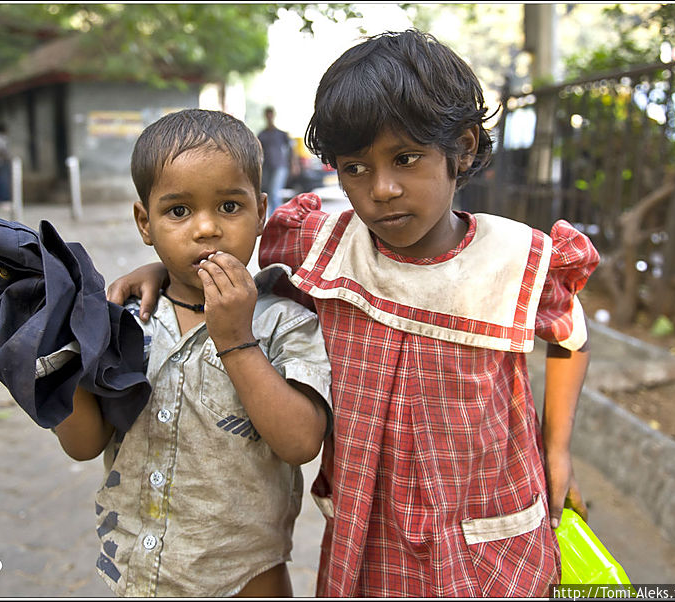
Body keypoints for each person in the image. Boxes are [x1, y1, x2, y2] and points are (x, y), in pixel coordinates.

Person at [106, 30, 599, 597]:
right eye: (355, 168)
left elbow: (571, 338)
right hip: (372, 528)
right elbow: (231, 282)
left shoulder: (518, 260)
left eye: (406, 159)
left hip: (487, 525)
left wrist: (556, 448)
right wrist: (164, 275)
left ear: (461, 148)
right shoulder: (319, 249)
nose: (382, 189)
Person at [53, 109, 332, 597]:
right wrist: (57, 358)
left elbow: (301, 443)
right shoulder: (126, 321)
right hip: (138, 575)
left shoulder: (285, 322)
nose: (206, 229)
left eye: (229, 206)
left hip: (248, 579)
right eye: (178, 211)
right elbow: (83, 444)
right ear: (145, 222)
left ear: (261, 211)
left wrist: (235, 341)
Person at [257, 106, 292, 216]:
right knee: (267, 193)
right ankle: (272, 216)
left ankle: (277, 218)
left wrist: (294, 164)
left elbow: (291, 149)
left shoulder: (281, 134)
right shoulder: (262, 134)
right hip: (266, 167)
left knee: (274, 192)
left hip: (280, 166)